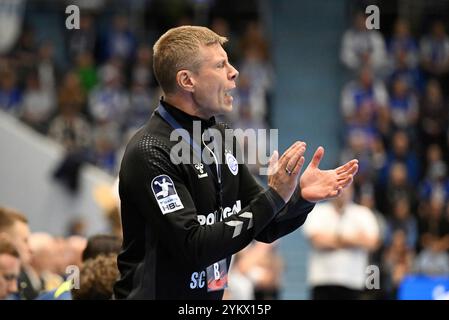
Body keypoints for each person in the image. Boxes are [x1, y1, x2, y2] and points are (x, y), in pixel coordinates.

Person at [114, 26, 358, 300]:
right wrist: (275, 195)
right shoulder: (150, 150)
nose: (234, 72)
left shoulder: (221, 137)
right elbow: (193, 246)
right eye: (220, 65)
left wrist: (300, 197)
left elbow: (266, 225)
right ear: (187, 80)